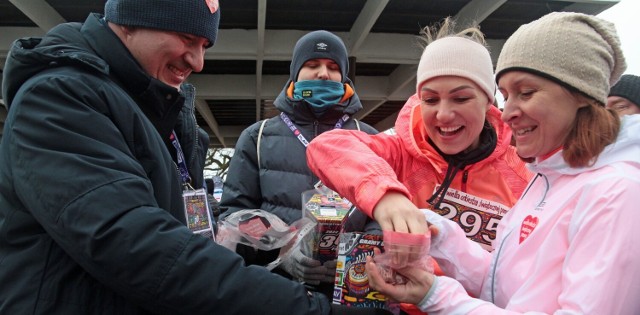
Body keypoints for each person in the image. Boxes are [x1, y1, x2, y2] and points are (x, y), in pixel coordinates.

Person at [0, 1, 388, 314]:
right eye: (187, 38)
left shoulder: (152, 113)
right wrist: (288, 265)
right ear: (131, 19)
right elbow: (139, 247)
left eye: (204, 46)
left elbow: (186, 231)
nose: (198, 62)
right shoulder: (61, 97)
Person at [365, 12, 640, 314]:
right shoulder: (547, 176)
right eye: (507, 95)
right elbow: (502, 284)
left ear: (582, 94)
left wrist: (439, 297)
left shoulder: (618, 193)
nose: (507, 113)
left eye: (526, 93)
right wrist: (441, 235)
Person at [306, 18, 532, 251]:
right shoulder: (400, 155)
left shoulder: (527, 175)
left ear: (488, 101)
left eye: (461, 98)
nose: (443, 115)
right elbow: (327, 146)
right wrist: (386, 195)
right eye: (431, 100)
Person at [219, 30, 378, 296]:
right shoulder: (257, 137)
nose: (323, 74)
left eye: (333, 67)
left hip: (350, 293)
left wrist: (359, 253)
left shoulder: (369, 138)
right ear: (295, 73)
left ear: (344, 76)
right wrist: (281, 251)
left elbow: (383, 214)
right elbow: (233, 217)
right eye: (312, 65)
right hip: (278, 290)